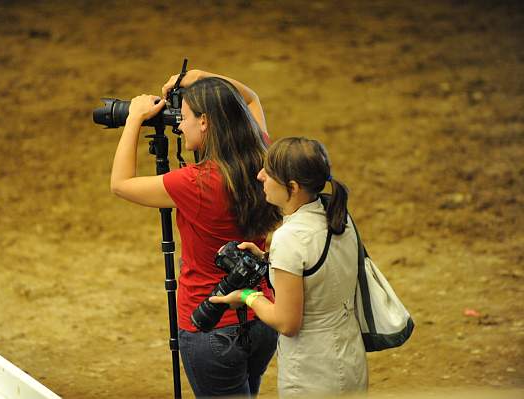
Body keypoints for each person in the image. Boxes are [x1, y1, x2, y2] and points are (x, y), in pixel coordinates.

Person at [110, 69, 281, 397]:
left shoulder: (195, 182)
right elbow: (250, 99)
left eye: (184, 116)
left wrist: (135, 118)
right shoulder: (262, 155)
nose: (178, 124)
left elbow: (120, 184)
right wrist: (205, 77)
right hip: (260, 316)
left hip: (209, 325)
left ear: (204, 122)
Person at [210, 137, 369, 397]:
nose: (260, 176)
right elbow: (319, 270)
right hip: (349, 358)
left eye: (268, 172)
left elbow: (287, 323)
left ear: (292, 187)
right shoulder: (338, 215)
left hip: (312, 372)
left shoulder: (289, 238)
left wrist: (246, 296)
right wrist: (268, 259)